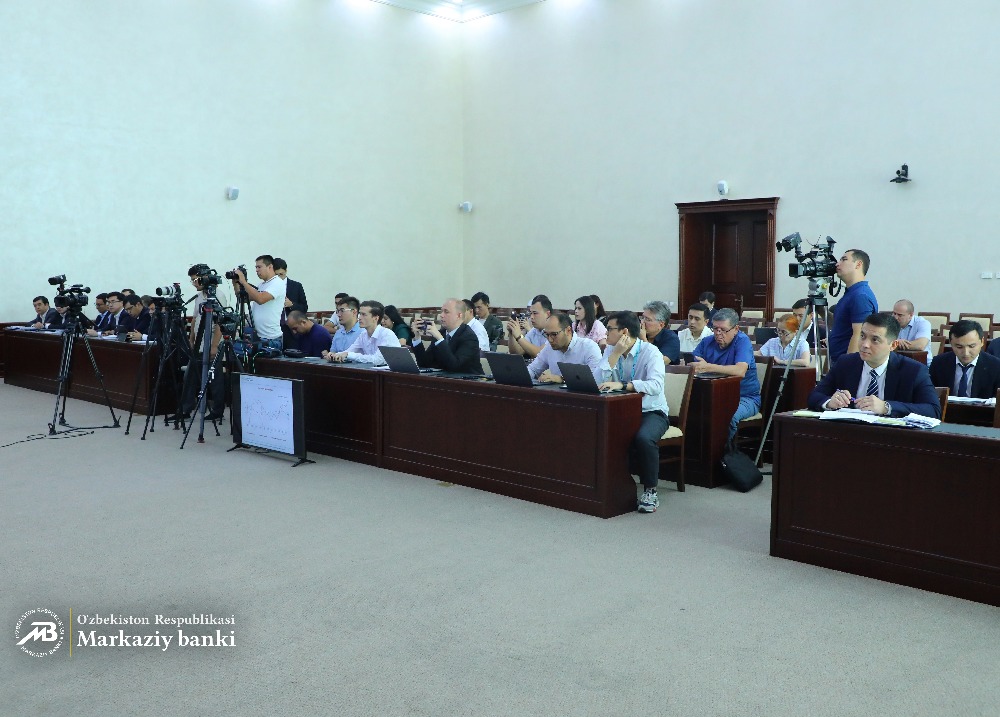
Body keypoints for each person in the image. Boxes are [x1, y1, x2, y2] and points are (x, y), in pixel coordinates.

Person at [597, 311, 669, 514]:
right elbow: (597, 380)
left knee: (644, 438)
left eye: (609, 329)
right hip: (620, 411)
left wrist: (625, 385)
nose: (605, 333)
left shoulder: (650, 352)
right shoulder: (610, 350)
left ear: (625, 332)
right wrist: (615, 355)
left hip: (651, 411)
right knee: (597, 432)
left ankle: (650, 491)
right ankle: (610, 486)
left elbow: (655, 385)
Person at [808, 313, 941, 418]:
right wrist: (829, 402)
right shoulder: (845, 363)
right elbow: (814, 396)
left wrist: (886, 407)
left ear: (893, 345)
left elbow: (933, 410)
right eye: (862, 336)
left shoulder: (913, 370)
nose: (865, 344)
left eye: (875, 340)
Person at [691, 307, 761, 441]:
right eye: (715, 329)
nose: (718, 333)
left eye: (723, 330)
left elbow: (740, 371)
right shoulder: (707, 341)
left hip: (744, 398)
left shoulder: (742, 341)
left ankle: (723, 451)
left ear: (736, 329)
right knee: (693, 413)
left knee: (727, 416)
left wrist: (709, 367)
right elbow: (694, 363)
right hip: (713, 396)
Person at [828, 249, 878, 363]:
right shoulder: (851, 293)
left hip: (847, 362)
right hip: (837, 360)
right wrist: (822, 311)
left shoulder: (860, 296)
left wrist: (847, 366)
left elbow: (859, 334)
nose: (837, 264)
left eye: (844, 260)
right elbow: (842, 326)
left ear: (858, 264)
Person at [929, 320, 1000, 399]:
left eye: (972, 346)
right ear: (951, 343)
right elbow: (929, 394)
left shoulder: (996, 366)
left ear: (982, 342)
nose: (966, 353)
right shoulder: (938, 363)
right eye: (959, 347)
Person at [411, 298, 483, 374]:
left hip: (468, 379)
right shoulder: (441, 333)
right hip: (444, 378)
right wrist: (417, 338)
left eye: (446, 312)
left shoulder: (469, 337)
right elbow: (425, 364)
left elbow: (455, 366)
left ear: (459, 315)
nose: (441, 315)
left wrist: (440, 339)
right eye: (441, 311)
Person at [231, 255, 287, 351]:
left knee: (235, 349)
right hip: (257, 337)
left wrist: (244, 282)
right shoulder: (261, 285)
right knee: (233, 349)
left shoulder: (278, 283)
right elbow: (243, 299)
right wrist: (235, 283)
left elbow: (260, 299)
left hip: (270, 338)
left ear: (270, 267)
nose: (256, 270)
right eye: (256, 267)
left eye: (259, 267)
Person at [527, 313, 602, 383]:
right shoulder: (549, 348)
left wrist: (562, 379)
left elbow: (596, 379)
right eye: (546, 334)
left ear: (568, 331)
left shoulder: (589, 347)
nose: (550, 340)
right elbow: (533, 369)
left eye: (554, 334)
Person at [326, 300, 398, 364]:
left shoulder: (387, 335)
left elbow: (378, 360)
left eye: (364, 314)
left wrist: (348, 355)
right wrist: (335, 355)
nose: (359, 318)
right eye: (360, 314)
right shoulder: (363, 335)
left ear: (376, 318)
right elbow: (350, 351)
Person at [273, 257, 309, 346]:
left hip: (291, 328)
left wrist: (292, 305)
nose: (279, 278)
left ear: (286, 271)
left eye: (281, 274)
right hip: (274, 327)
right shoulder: (269, 288)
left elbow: (304, 308)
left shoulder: (296, 286)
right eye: (276, 275)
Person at [507, 294, 551, 359]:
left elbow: (540, 353)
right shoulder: (533, 331)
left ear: (547, 314)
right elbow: (517, 352)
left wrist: (519, 336)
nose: (531, 317)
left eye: (535, 313)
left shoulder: (554, 331)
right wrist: (512, 333)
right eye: (531, 313)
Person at [639, 300, 679, 365]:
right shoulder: (637, 334)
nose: (642, 322)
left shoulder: (671, 338)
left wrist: (643, 340)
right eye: (642, 318)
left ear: (661, 325)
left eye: (648, 319)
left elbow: (659, 362)